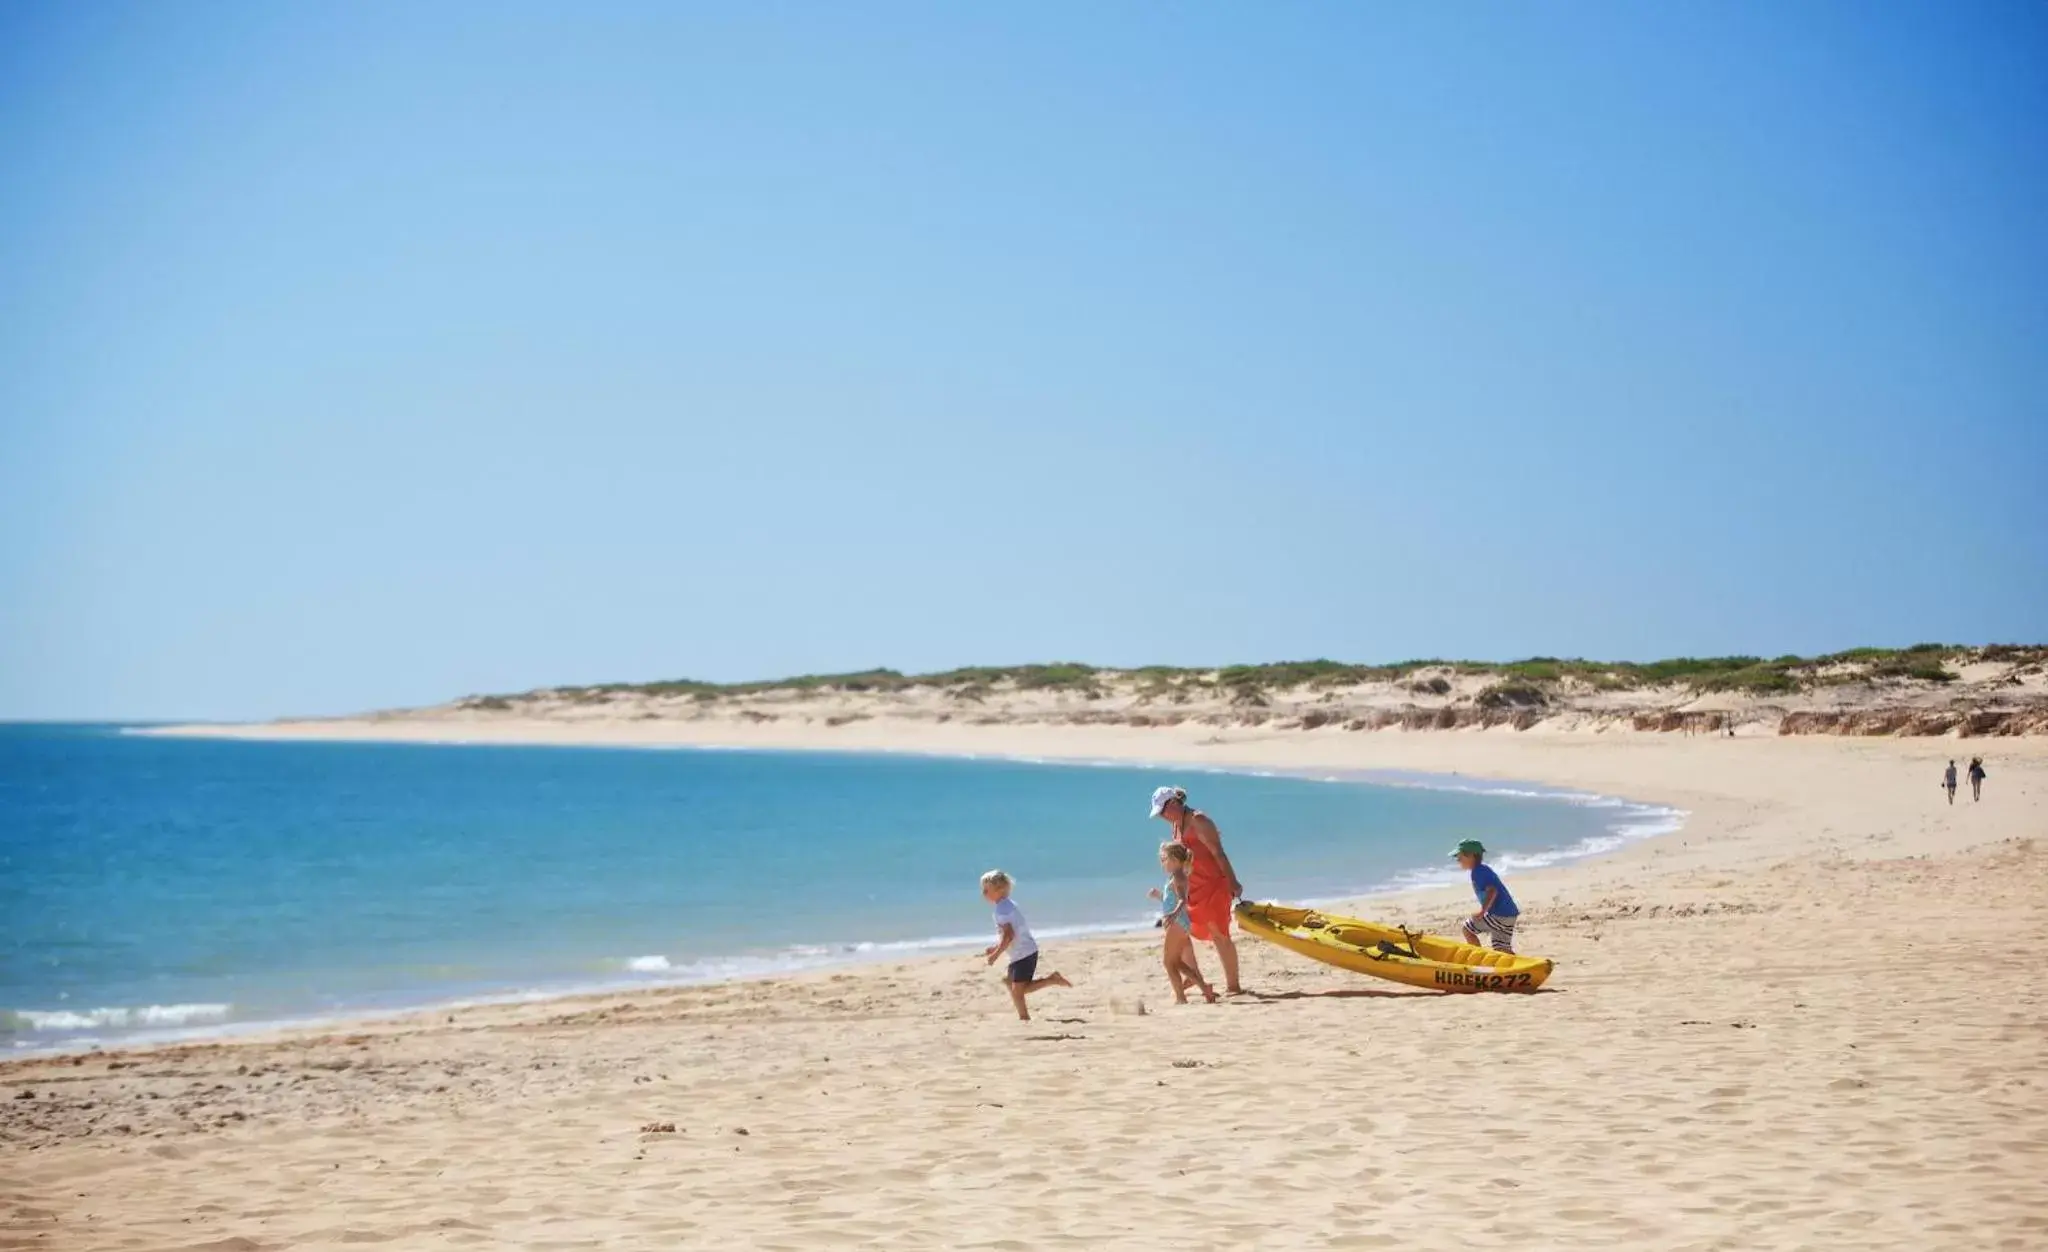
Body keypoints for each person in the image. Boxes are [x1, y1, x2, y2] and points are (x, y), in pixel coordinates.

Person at [1150, 786, 1246, 995]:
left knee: (1219, 933)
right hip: (1194, 889)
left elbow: (1218, 853)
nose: (1163, 817)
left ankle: (1233, 986)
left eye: (1163, 811)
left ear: (1174, 803)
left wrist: (1233, 882)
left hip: (1215, 885)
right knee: (1185, 932)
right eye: (1160, 814)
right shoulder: (1176, 826)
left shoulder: (1198, 821)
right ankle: (1195, 976)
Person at [979, 870, 1069, 1021]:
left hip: (1024, 954)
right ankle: (1048, 984)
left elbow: (1009, 935)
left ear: (999, 889)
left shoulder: (1002, 910)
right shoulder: (1006, 905)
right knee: (1011, 984)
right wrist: (996, 947)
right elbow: (1009, 934)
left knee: (1018, 991)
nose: (983, 893)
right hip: (1021, 952)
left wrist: (995, 955)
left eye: (986, 889)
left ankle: (1025, 1017)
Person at [1148, 842, 1217, 1005]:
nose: (1162, 863)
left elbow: (1182, 900)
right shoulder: (1175, 877)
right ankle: (1205, 988)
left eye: (1164, 859)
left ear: (1174, 860)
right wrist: (1159, 896)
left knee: (1168, 962)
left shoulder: (1179, 876)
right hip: (1181, 923)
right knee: (1177, 962)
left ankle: (1181, 998)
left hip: (1177, 922)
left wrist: (1172, 914)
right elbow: (1170, 900)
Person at [1452, 839, 1520, 954]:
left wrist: (1482, 912)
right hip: (1509, 914)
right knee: (1501, 948)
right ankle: (1519, 967)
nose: (1458, 860)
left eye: (1460, 857)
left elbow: (1492, 891)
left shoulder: (1478, 872)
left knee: (1467, 929)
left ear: (1471, 856)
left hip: (1499, 914)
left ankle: (1478, 959)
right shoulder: (1483, 870)